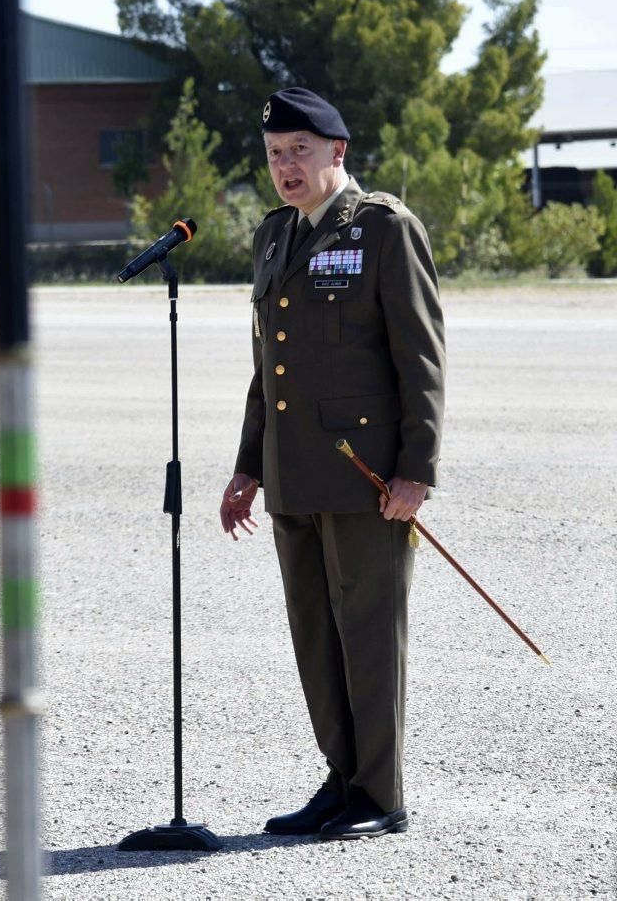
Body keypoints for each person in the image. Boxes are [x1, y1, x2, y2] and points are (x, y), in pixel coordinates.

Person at [220, 87, 445, 841]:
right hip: (294, 477)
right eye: (276, 154)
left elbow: (420, 358)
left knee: (370, 636)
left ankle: (380, 795)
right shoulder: (275, 236)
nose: (286, 167)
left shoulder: (383, 228)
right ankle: (340, 780)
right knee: (316, 638)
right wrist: (248, 467)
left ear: (336, 153)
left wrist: (418, 470)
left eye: (300, 152)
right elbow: (268, 367)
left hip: (366, 481)